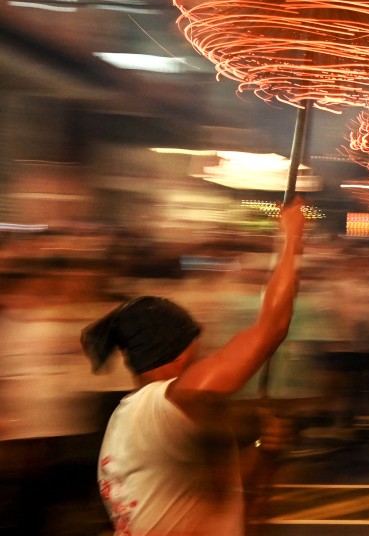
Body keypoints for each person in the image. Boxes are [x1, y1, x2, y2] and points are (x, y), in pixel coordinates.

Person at [80, 199, 305, 536]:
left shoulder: (136, 417)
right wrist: (292, 237)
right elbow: (271, 328)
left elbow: (215, 493)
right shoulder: (165, 401)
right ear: (177, 352)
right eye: (197, 346)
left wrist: (264, 450)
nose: (205, 356)